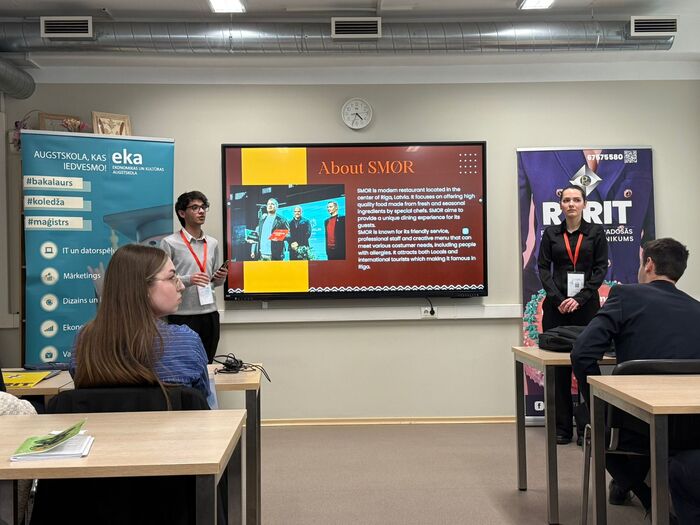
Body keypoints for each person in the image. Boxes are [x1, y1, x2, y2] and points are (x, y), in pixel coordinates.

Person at [572, 238, 700, 515]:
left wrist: (598, 400)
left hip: (636, 425)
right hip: (692, 424)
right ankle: (634, 487)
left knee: (589, 414)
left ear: (649, 264)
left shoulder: (625, 295)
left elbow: (582, 353)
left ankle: (643, 493)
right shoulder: (696, 308)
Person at [71, 244, 211, 404]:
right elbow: (200, 400)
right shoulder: (186, 342)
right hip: (172, 420)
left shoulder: (84, 340)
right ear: (142, 287)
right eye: (172, 278)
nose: (182, 286)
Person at [537, 184, 608, 445]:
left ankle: (588, 426)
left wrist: (579, 299)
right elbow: (542, 268)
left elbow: (600, 269)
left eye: (576, 200)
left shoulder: (596, 233)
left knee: (585, 365)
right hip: (556, 308)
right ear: (561, 205)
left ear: (584, 204)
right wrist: (559, 299)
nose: (571, 204)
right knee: (558, 371)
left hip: (586, 307)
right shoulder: (551, 233)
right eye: (566, 200)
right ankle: (562, 428)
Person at [160, 191, 227, 363]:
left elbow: (214, 282)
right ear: (182, 213)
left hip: (210, 313)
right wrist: (189, 279)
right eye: (195, 207)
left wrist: (220, 277)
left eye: (203, 207)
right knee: (184, 364)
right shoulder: (169, 243)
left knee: (208, 364)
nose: (201, 211)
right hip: (183, 315)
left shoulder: (212, 243)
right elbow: (162, 280)